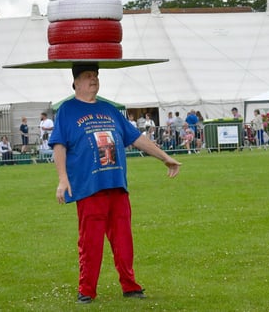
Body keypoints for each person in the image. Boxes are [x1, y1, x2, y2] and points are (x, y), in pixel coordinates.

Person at [50, 63, 181, 304]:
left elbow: (136, 138)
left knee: (123, 240)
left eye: (96, 76)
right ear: (76, 83)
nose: (94, 80)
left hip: (117, 185)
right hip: (90, 188)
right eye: (88, 76)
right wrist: (62, 179)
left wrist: (165, 157)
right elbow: (59, 144)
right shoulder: (67, 111)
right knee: (90, 242)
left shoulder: (109, 110)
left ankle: (130, 286)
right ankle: (86, 290)